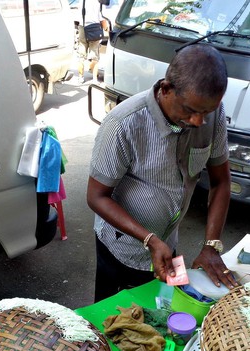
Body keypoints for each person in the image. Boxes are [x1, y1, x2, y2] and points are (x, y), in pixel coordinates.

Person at [87, 43, 238, 302]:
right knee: (114, 321)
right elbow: (96, 196)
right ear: (166, 90)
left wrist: (211, 245)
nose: (199, 122)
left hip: (168, 243)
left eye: (207, 112)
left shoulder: (211, 115)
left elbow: (221, 182)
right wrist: (149, 240)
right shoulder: (122, 124)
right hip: (122, 248)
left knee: (166, 310)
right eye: (190, 111)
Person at [76, 5, 108, 84]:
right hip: (94, 28)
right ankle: (94, 79)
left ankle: (80, 77)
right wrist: (107, 29)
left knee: (81, 54)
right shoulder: (98, 2)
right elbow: (102, 19)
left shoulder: (82, 1)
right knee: (95, 56)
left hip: (82, 27)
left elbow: (76, 18)